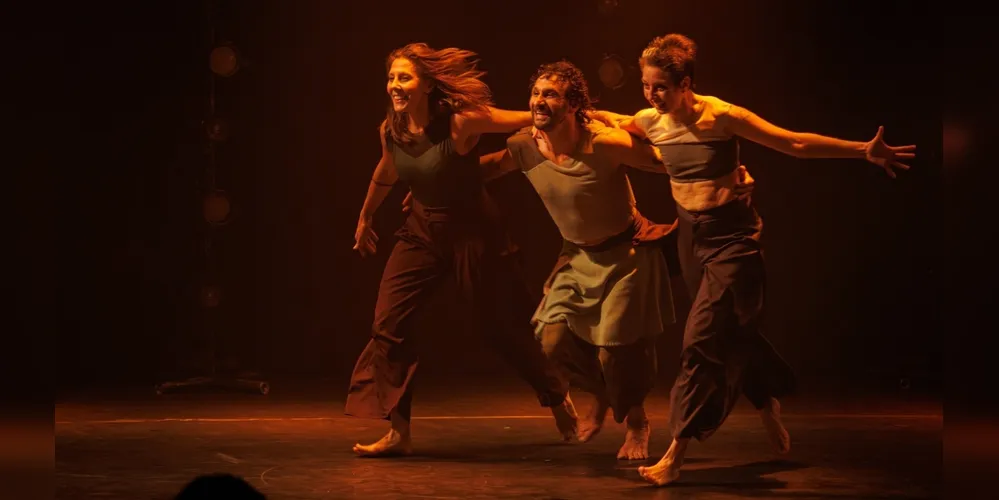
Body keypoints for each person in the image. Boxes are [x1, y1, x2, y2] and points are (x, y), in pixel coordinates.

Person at [592, 33, 915, 485]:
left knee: (700, 342)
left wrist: (862, 149)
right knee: (732, 330)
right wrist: (569, 112)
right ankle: (766, 399)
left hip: (733, 238)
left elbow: (794, 143)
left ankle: (675, 452)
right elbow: (613, 119)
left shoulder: (722, 116)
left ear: (686, 84)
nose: (651, 95)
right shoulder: (650, 121)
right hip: (691, 237)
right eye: (645, 85)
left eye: (660, 86)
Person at [412, 61, 756, 460]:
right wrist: (431, 188)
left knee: (616, 350)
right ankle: (601, 394)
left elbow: (669, 162)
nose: (539, 101)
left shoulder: (605, 143)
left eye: (551, 94)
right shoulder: (525, 146)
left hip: (627, 254)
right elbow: (488, 169)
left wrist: (731, 175)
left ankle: (637, 422)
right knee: (551, 339)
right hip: (577, 257)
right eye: (536, 93)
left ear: (574, 104)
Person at [346, 43, 577, 458]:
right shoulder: (391, 129)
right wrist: (366, 217)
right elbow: (388, 169)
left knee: (500, 325)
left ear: (427, 85)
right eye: (392, 77)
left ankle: (556, 395)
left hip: (474, 233)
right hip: (421, 230)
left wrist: (577, 116)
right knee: (388, 322)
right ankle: (399, 431)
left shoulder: (461, 122)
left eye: (404, 77)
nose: (395, 85)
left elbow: (531, 118)